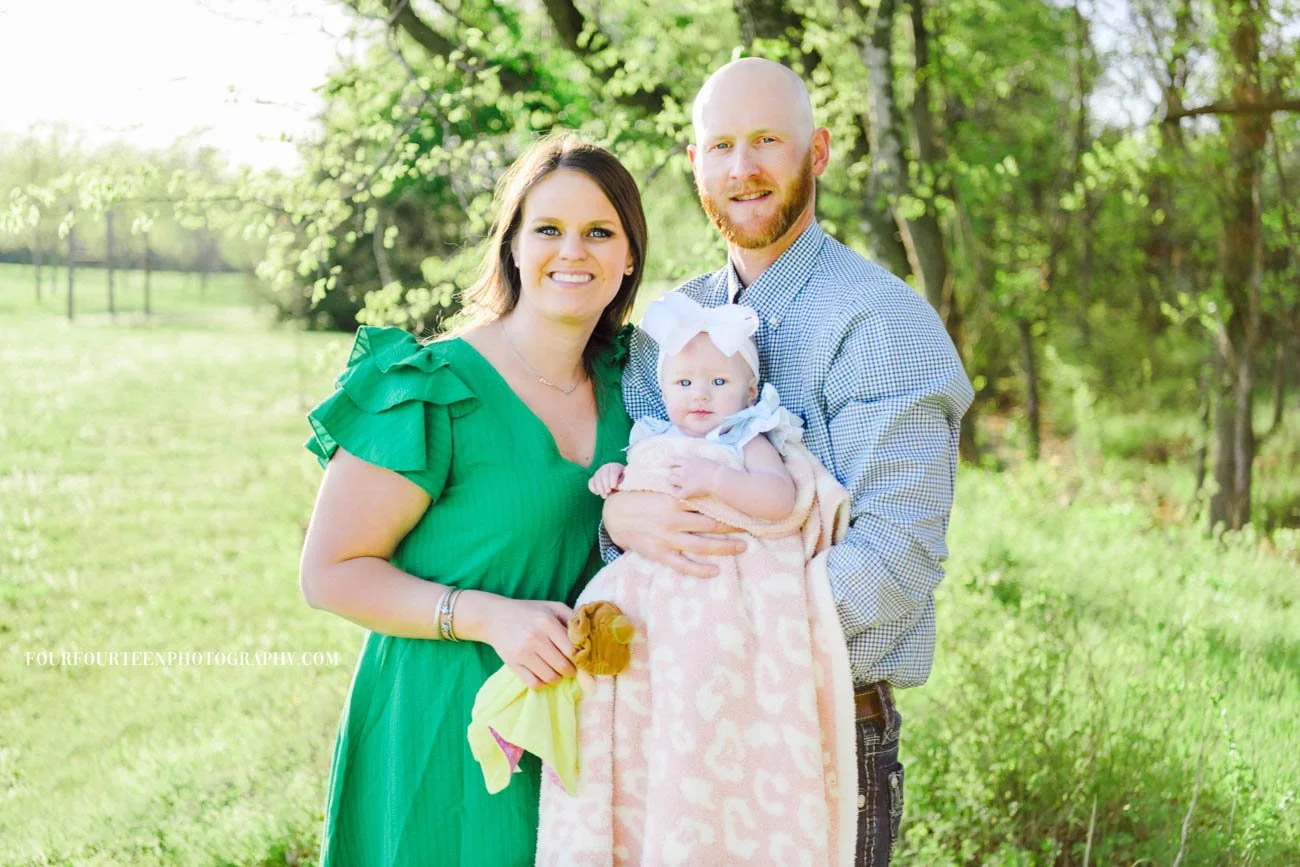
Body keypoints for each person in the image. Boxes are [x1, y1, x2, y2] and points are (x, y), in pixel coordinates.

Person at [601, 58, 975, 866]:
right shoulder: (668, 330)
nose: (743, 167)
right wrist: (617, 514)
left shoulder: (882, 323)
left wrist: (735, 636)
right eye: (721, 146)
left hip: (818, 719)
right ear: (694, 163)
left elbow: (895, 559)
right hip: (673, 724)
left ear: (819, 152)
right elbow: (633, 506)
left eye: (768, 140)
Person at [299, 131, 647, 867]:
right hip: (440, 726)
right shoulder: (429, 385)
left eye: (599, 232)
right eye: (547, 229)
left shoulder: (638, 383)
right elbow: (328, 572)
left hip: (579, 734)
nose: (572, 251)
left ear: (629, 256)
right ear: (512, 246)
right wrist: (487, 615)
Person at [533, 289, 859, 865]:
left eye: (718, 382)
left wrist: (718, 481)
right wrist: (614, 480)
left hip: (726, 595)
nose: (700, 395)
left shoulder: (747, 437)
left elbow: (779, 499)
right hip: (653, 612)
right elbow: (637, 489)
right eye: (684, 383)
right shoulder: (654, 438)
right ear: (663, 390)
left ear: (749, 392)